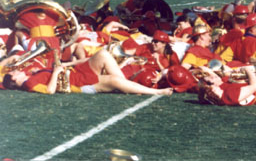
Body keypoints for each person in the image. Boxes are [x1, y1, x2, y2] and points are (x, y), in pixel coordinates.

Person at [3, 49, 173, 96]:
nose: (16, 71)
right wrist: (55, 72)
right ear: (13, 80)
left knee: (103, 54)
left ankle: (128, 87)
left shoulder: (31, 76)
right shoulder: (28, 84)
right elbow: (49, 91)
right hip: (77, 83)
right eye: (13, 73)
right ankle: (156, 92)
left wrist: (65, 64)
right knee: (113, 80)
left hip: (75, 73)